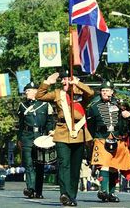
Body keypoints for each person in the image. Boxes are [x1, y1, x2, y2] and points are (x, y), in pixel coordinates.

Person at [36, 71, 94, 206]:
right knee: (64, 164)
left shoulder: (80, 93)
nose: (63, 82)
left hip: (79, 133)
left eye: (66, 79)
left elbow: (91, 93)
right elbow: (40, 96)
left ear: (72, 79)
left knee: (75, 167)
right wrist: (47, 83)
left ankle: (72, 196)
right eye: (61, 80)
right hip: (62, 131)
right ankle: (64, 193)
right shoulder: (58, 93)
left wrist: (77, 83)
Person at [87, 81, 130, 202]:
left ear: (112, 92)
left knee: (114, 166)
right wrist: (90, 140)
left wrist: (128, 114)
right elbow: (89, 124)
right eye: (103, 91)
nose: (105, 93)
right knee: (103, 164)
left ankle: (111, 193)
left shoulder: (120, 104)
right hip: (101, 138)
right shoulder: (94, 106)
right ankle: (104, 190)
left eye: (107, 90)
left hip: (117, 138)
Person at [17, 81, 54, 199]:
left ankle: (38, 191)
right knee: (28, 164)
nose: (26, 93)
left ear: (35, 92)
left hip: (41, 137)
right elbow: (21, 124)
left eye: (28, 91)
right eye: (26, 91)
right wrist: (19, 139)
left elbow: (49, 122)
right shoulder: (22, 106)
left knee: (39, 164)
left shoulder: (45, 105)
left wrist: (50, 132)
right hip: (27, 136)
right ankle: (30, 189)